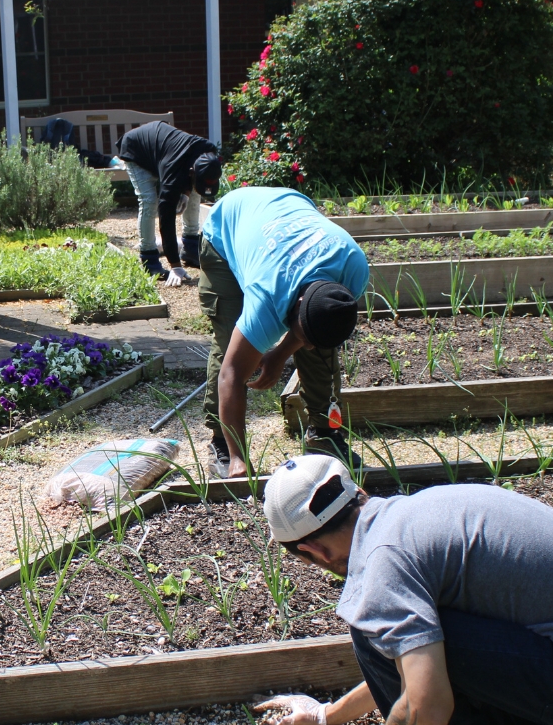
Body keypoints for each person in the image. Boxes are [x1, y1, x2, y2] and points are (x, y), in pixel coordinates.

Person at [255, 453, 553, 725]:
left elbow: (425, 707)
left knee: (369, 633)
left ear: (313, 552)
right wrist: (327, 715)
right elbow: (416, 656)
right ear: (360, 494)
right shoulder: (419, 515)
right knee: (407, 662)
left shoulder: (383, 567)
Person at [199, 185, 368, 478]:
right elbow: (231, 375)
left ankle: (324, 434)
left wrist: (280, 354)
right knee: (230, 343)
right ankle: (223, 443)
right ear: (297, 303)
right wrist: (240, 459)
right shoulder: (266, 297)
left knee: (320, 341)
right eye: (301, 332)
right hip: (228, 227)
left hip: (286, 208)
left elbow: (312, 331)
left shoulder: (353, 268)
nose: (308, 345)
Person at [117, 121, 221, 287]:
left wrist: (187, 191)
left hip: (163, 149)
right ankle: (148, 257)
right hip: (136, 148)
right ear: (192, 172)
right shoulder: (173, 170)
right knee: (149, 201)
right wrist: (175, 265)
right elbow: (166, 218)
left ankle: (191, 247)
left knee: (195, 190)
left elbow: (190, 171)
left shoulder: (209, 155)